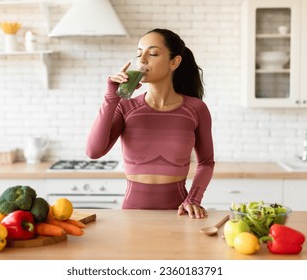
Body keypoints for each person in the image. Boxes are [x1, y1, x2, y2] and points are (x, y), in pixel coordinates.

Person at [86, 28, 214, 219]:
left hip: (179, 214)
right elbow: (93, 152)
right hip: (132, 216)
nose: (142, 59)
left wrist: (193, 199)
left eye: (152, 53)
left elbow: (206, 162)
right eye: (139, 54)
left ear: (174, 62)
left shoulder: (196, 109)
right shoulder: (125, 107)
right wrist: (112, 95)